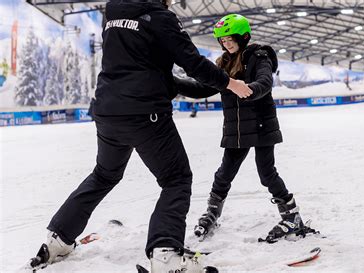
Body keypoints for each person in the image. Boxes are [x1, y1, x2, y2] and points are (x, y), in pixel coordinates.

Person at [31, 1, 252, 273]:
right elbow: (193, 63)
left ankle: (58, 240)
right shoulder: (160, 17)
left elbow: (138, 61)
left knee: (104, 175)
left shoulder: (112, 11)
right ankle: (166, 254)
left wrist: (166, 82)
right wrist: (231, 83)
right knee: (176, 179)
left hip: (107, 110)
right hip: (145, 113)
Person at [174, 14, 311, 243]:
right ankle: (212, 213)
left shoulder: (259, 56)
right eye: (222, 41)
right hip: (236, 128)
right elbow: (202, 89)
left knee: (267, 173)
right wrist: (173, 84)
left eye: (230, 40)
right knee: (224, 174)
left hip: (261, 124)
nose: (226, 44)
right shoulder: (223, 63)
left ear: (243, 37)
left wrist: (248, 90)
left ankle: (292, 216)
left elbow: (265, 82)